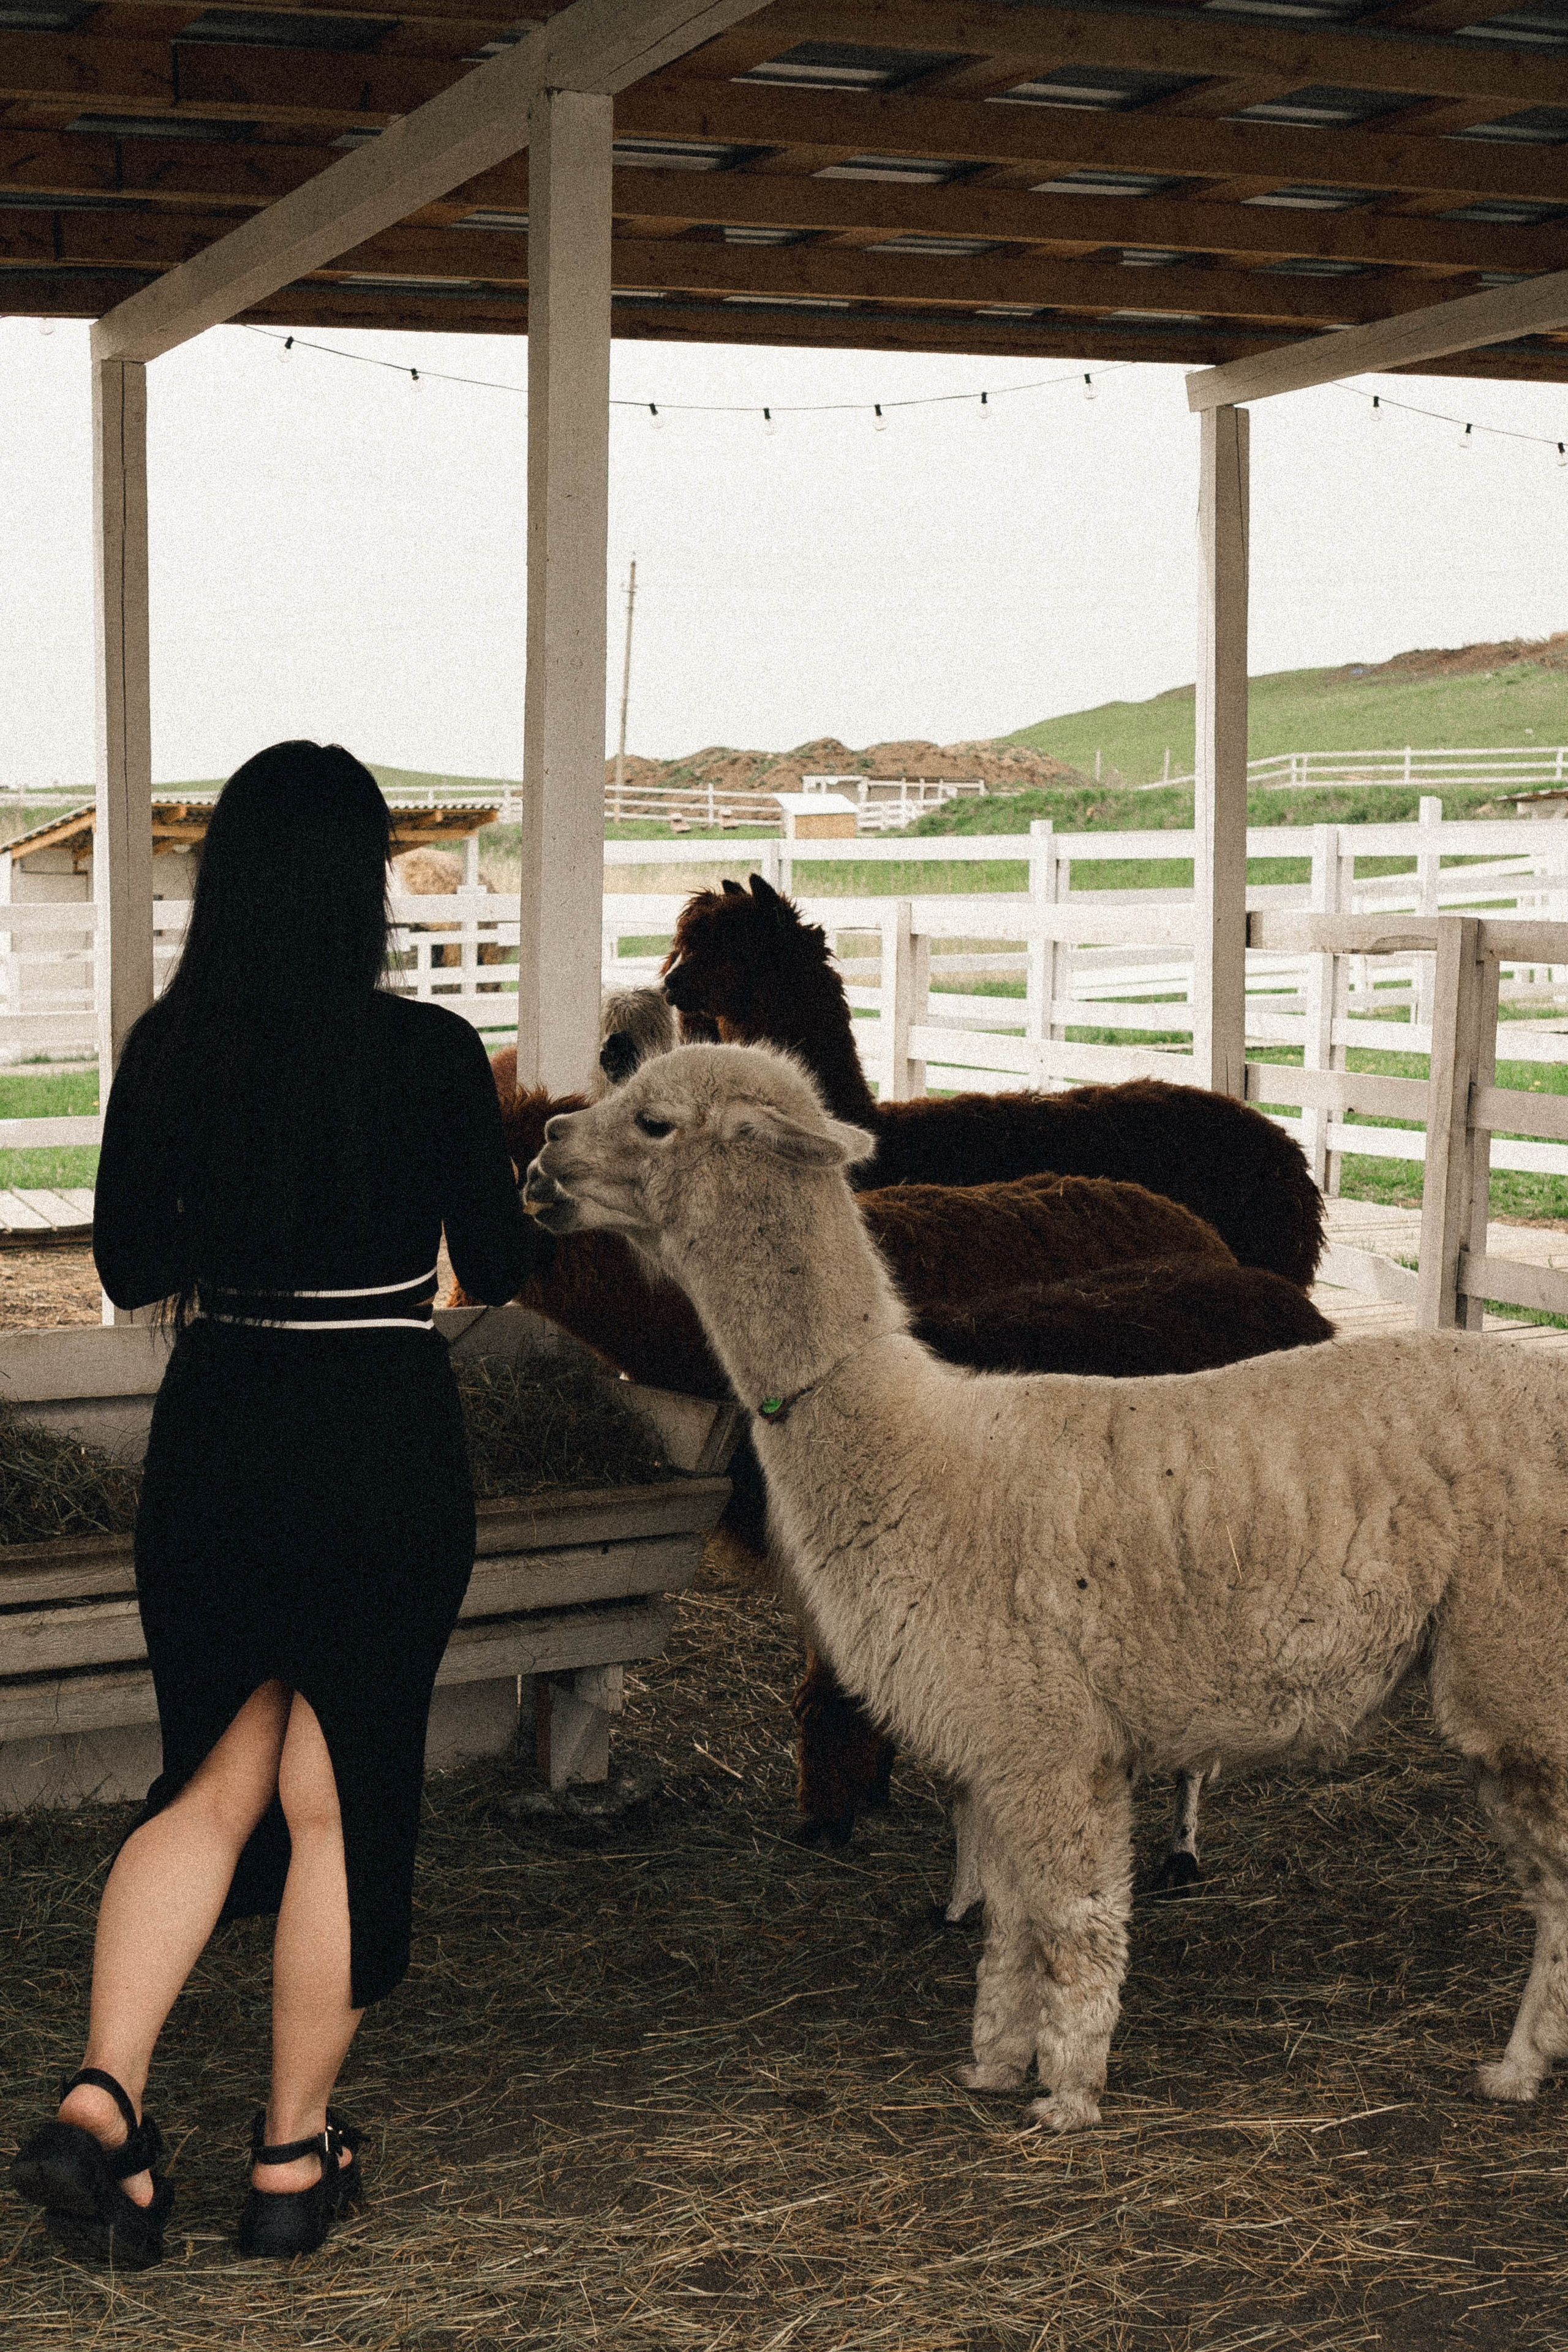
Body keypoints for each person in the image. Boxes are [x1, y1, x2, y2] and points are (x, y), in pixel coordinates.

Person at [10, 743, 538, 2267]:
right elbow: (498, 1270)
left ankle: (105, 2104)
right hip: (378, 1442)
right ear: (363, 883)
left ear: (227, 879)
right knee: (341, 1793)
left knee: (215, 1781)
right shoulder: (431, 1054)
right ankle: (291, 2168)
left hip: (220, 1436)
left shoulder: (170, 1051)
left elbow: (123, 1269)